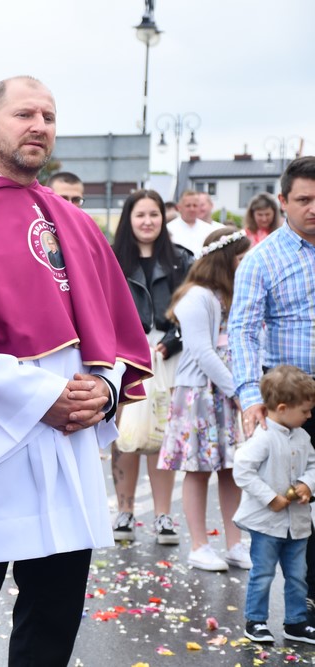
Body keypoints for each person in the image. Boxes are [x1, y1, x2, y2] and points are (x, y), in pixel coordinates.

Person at [0, 76, 151, 667]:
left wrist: (106, 390)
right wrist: (42, 397)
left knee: (54, 617)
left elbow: (115, 328)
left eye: (48, 116)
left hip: (69, 443)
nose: (39, 125)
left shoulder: (76, 221)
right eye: (24, 114)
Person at [229, 155, 315, 615]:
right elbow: (242, 329)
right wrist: (250, 396)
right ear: (283, 201)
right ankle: (306, 601)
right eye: (304, 199)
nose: (313, 208)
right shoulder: (262, 259)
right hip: (291, 402)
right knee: (298, 498)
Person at [158, 226, 252, 572]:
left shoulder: (228, 294)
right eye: (241, 258)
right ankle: (199, 545)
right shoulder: (196, 296)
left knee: (230, 469)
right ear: (225, 259)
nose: (246, 264)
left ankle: (235, 543)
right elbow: (202, 352)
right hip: (200, 393)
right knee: (197, 469)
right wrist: (238, 391)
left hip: (224, 390)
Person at [109, 189, 194, 544]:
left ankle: (162, 515)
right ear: (128, 219)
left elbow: (193, 310)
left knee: (162, 433)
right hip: (124, 356)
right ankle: (124, 510)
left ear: (164, 217)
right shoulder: (111, 259)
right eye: (140, 215)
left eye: (154, 214)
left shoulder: (182, 260)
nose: (148, 222)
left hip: (167, 355)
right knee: (123, 434)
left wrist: (173, 340)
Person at [233, 365, 315, 645]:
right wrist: (271, 498)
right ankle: (255, 620)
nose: (309, 416)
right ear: (282, 408)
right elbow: (243, 470)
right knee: (263, 573)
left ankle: (296, 622)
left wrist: (307, 484)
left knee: (298, 575)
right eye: (305, 411)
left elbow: (313, 465)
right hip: (267, 524)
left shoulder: (303, 437)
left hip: (297, 524)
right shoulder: (264, 437)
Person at [167, 190, 224, 256]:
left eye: (195, 205)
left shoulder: (209, 230)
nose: (192, 209)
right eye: (188, 206)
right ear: (179, 208)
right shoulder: (169, 229)